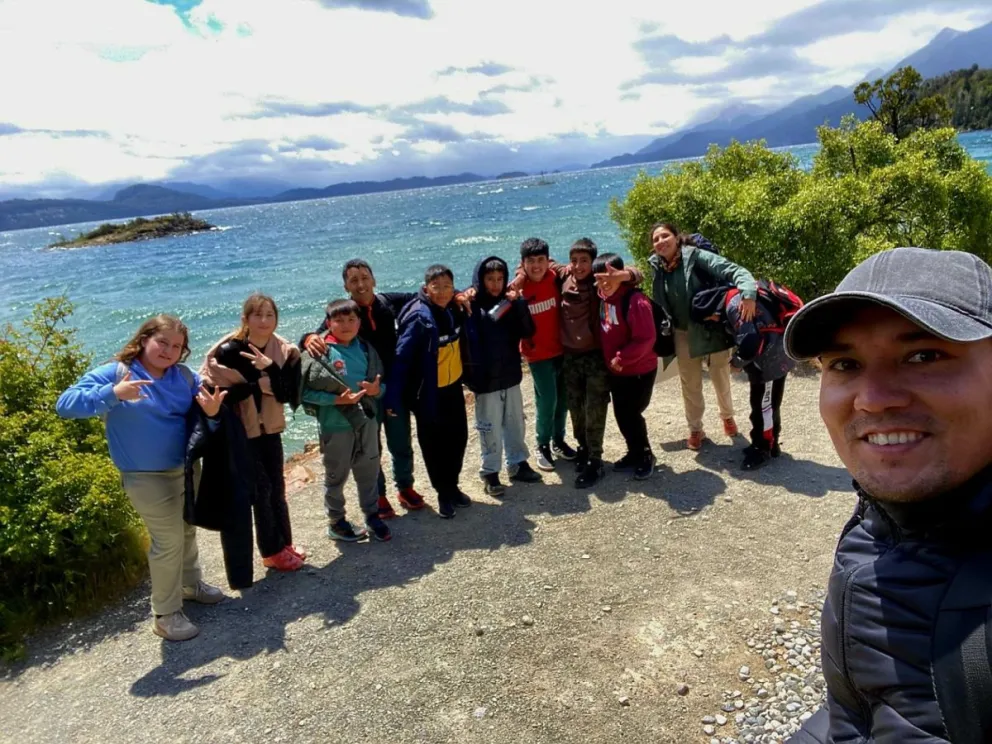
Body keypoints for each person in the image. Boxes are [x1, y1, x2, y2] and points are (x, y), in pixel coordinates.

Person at [784, 247, 992, 744]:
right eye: (845, 363)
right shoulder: (881, 527)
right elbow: (858, 712)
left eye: (924, 356)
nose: (873, 399)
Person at [56, 315, 227, 642]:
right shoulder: (117, 373)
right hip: (145, 476)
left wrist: (212, 409)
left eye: (176, 346)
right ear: (144, 339)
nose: (168, 351)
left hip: (185, 469)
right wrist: (114, 393)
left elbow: (206, 402)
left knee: (187, 529)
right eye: (162, 342)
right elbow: (65, 405)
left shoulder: (182, 376)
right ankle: (165, 614)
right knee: (168, 540)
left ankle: (190, 585)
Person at [300, 259, 427, 518]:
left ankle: (405, 486)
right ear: (346, 286)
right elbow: (320, 333)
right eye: (353, 280)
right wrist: (307, 338)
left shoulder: (388, 302)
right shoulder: (346, 313)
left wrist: (460, 294)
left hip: (392, 388)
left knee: (401, 441)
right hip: (364, 395)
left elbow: (425, 295)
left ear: (374, 280)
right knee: (371, 448)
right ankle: (378, 494)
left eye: (365, 278)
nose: (360, 284)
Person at [200, 293, 304, 571]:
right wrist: (255, 385)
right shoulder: (228, 352)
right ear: (245, 319)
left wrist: (269, 369)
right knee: (262, 490)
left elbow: (288, 394)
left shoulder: (282, 350)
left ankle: (284, 544)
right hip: (241, 433)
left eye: (270, 315)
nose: (264, 321)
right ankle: (271, 551)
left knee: (277, 488)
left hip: (270, 428)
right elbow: (217, 394)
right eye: (257, 315)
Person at [647, 222, 757, 451]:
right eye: (656, 239)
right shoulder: (657, 267)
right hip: (682, 333)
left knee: (720, 377)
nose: (660, 242)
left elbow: (734, 270)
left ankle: (727, 416)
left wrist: (748, 294)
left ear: (677, 237)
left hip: (710, 328)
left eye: (665, 236)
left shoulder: (696, 256)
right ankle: (695, 429)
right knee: (690, 384)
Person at [384, 264, 470, 519]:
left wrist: (461, 294)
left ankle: (453, 486)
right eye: (436, 287)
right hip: (427, 394)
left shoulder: (454, 308)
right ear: (426, 288)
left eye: (447, 286)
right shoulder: (420, 318)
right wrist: (392, 398)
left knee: (458, 438)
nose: (442, 292)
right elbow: (401, 359)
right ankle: (443, 493)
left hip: (453, 387)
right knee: (434, 446)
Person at [300, 299, 391, 542]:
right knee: (336, 476)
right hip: (335, 425)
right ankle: (337, 521)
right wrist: (335, 400)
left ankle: (372, 515)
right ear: (328, 323)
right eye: (339, 320)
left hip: (367, 421)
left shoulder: (366, 349)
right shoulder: (320, 351)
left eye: (351, 319)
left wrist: (376, 390)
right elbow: (303, 392)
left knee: (369, 470)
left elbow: (380, 385)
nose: (346, 325)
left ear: (359, 322)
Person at [560, 238, 644, 488]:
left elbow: (637, 275)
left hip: (596, 357)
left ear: (594, 262)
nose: (578, 266)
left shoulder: (602, 283)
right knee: (576, 409)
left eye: (584, 261)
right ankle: (583, 448)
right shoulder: (562, 278)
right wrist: (521, 276)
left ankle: (595, 460)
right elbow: (538, 267)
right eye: (574, 260)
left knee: (595, 410)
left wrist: (623, 274)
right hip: (570, 357)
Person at [690, 284, 795, 470]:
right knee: (770, 403)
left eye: (709, 318)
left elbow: (750, 341)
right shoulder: (737, 296)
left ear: (712, 309)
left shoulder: (734, 305)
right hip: (779, 351)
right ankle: (771, 444)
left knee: (762, 406)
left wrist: (736, 363)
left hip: (769, 359)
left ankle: (762, 449)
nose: (713, 321)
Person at [462, 255, 543, 496]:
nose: (496, 284)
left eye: (500, 279)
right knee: (489, 428)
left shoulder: (510, 303)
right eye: (490, 279)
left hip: (510, 374)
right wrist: (459, 295)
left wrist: (519, 304)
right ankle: (490, 472)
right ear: (480, 280)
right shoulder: (470, 305)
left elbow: (528, 330)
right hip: (485, 380)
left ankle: (518, 464)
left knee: (516, 422)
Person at [594, 253, 658, 480]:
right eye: (599, 278)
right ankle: (634, 452)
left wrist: (622, 358)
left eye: (609, 277)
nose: (604, 283)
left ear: (621, 276)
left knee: (632, 414)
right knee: (622, 414)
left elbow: (646, 338)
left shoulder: (635, 301)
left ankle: (646, 455)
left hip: (639, 370)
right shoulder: (603, 299)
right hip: (617, 371)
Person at [517, 237, 577, 471]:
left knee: (563, 399)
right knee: (547, 400)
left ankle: (558, 440)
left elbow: (562, 269)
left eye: (541, 260)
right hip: (537, 354)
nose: (536, 266)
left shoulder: (555, 278)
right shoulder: (519, 287)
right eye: (531, 261)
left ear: (547, 260)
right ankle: (542, 444)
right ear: (523, 263)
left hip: (560, 349)